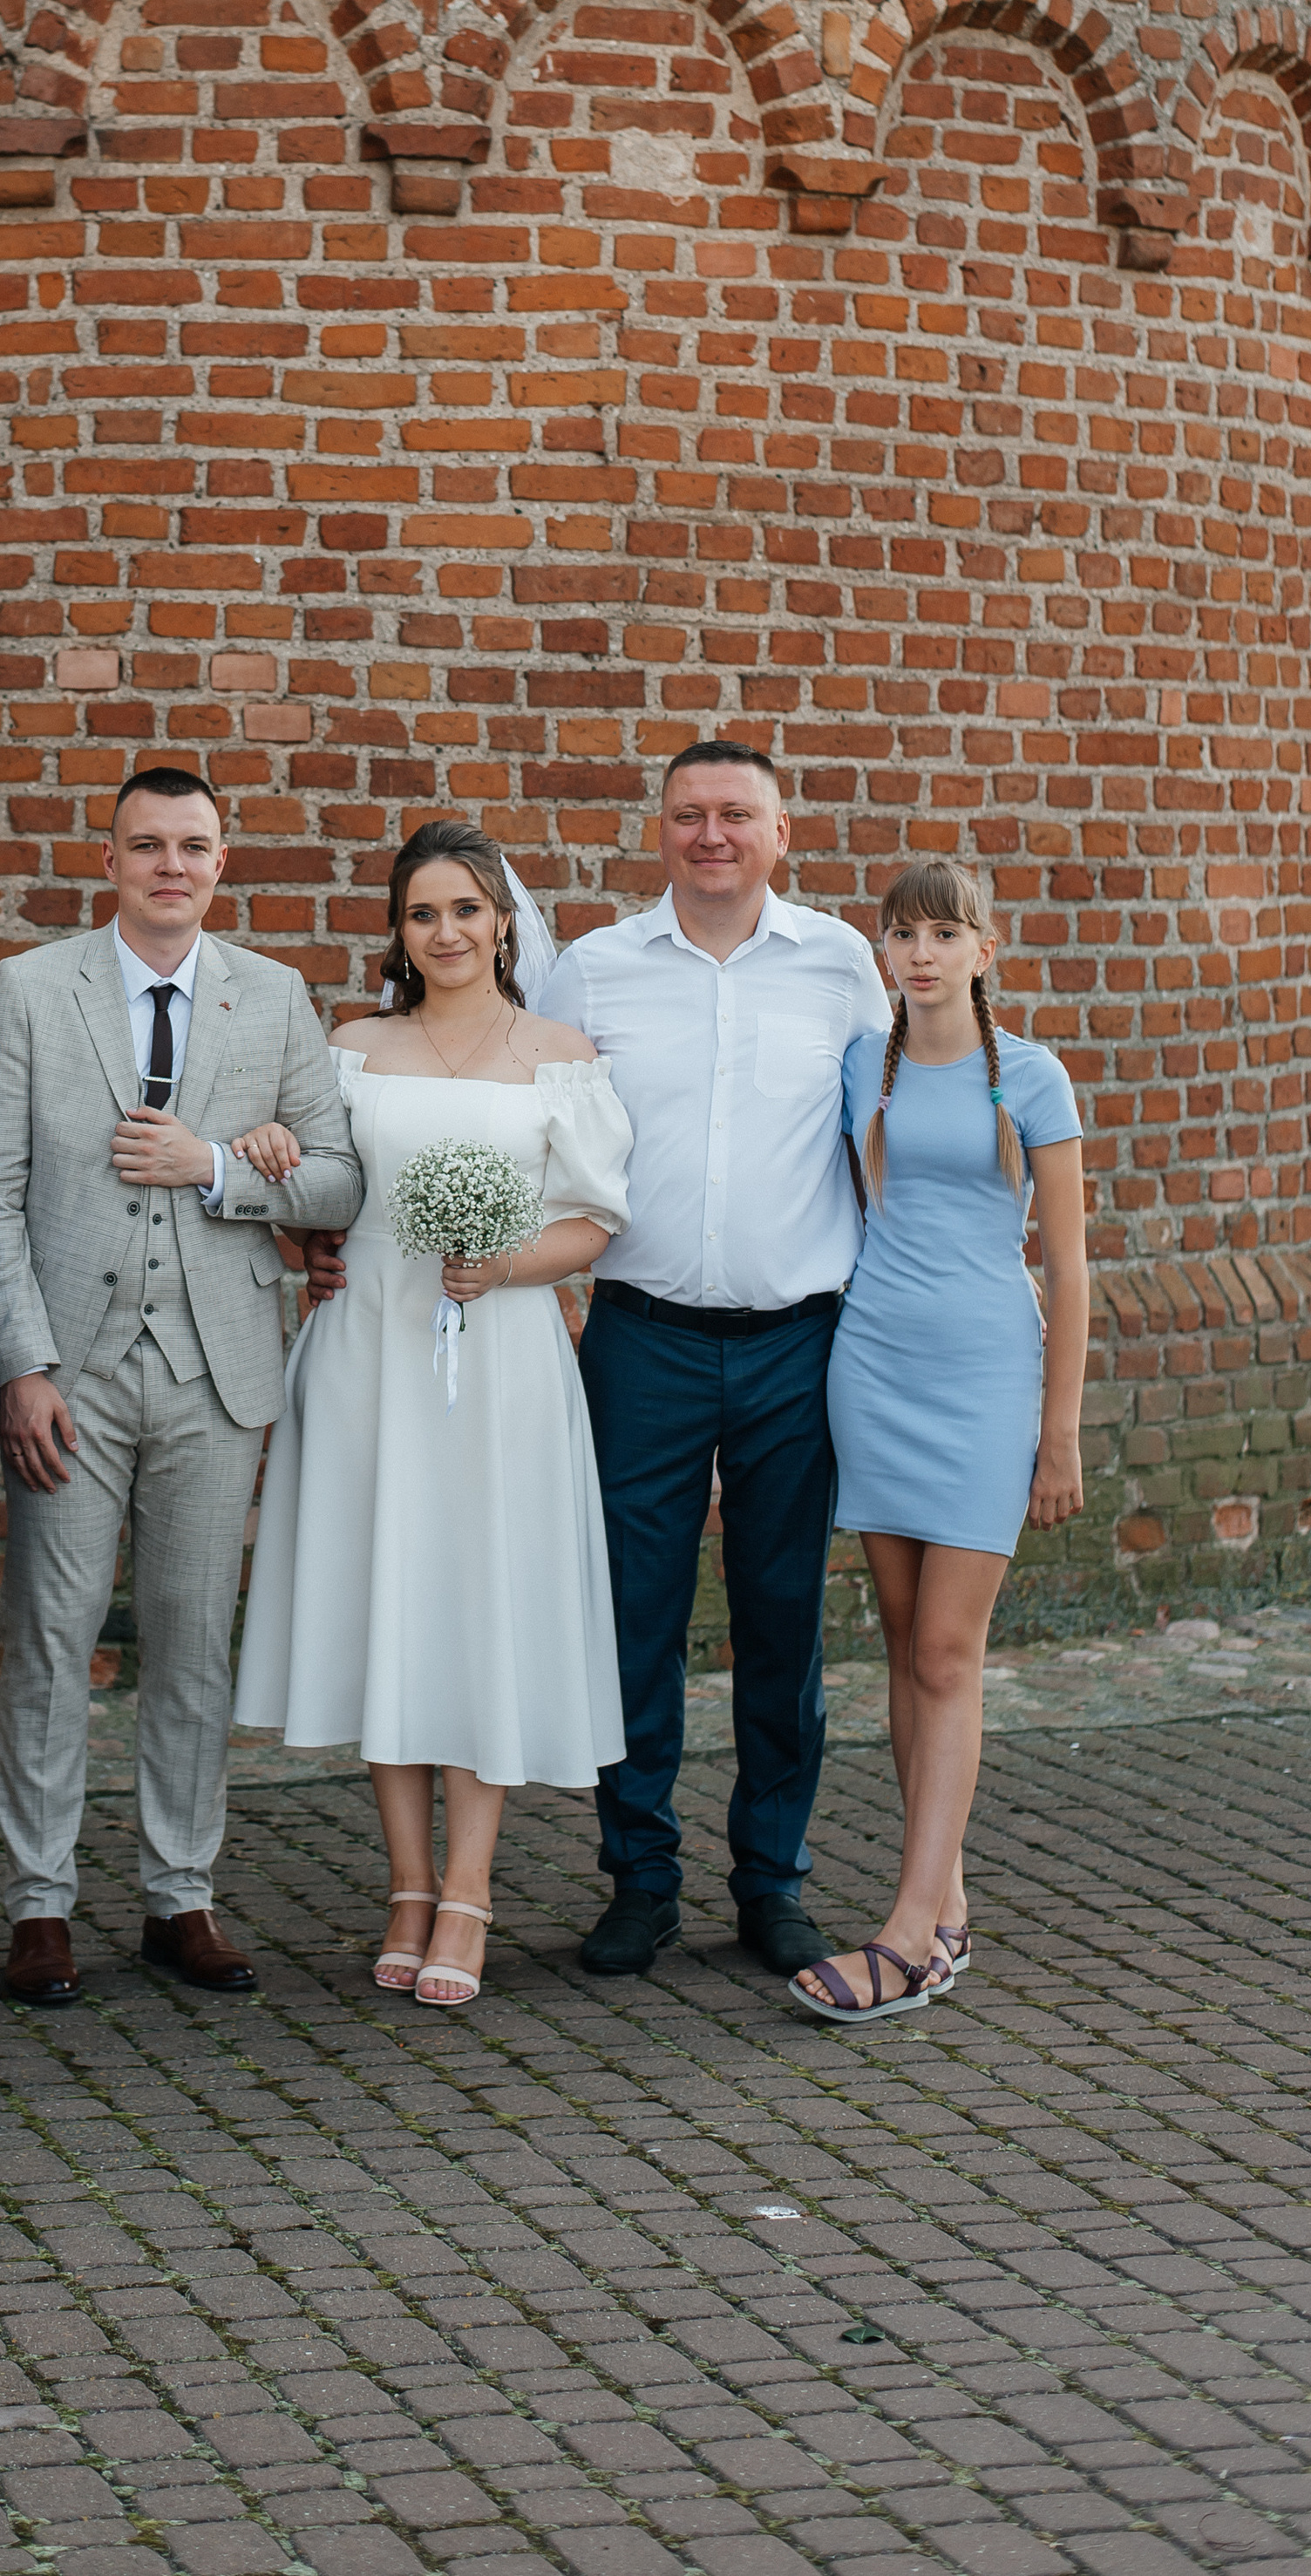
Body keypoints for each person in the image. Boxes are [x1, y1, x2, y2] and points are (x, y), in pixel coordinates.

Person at [0, 764, 366, 2006]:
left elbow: (340, 1182)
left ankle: (179, 1893)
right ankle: (40, 1904)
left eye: (193, 844)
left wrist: (218, 1171)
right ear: (112, 857)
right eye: (147, 844)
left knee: (193, 1643)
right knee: (52, 1638)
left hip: (217, 1368)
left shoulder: (276, 995)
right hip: (70, 1371)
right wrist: (21, 1366)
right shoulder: (33, 988)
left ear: (222, 857)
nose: (170, 865)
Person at [234, 819, 633, 2009]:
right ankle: (405, 1883)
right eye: (422, 913)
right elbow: (310, 1194)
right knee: (388, 1600)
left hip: (501, 1362)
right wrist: (277, 1189)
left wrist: (502, 1263)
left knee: (479, 1603)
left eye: (467, 908)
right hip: (370, 1354)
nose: (446, 931)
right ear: (399, 931)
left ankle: (470, 1887)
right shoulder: (352, 1046)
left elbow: (596, 1218)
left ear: (504, 920)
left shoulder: (559, 1052)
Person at [533, 739, 893, 1980]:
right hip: (643, 1338)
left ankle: (771, 1879)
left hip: (800, 1339)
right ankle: (638, 1878)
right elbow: (528, 1125)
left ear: (781, 833)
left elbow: (895, 1134)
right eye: (690, 813)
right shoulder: (596, 969)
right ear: (661, 830)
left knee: (782, 1623)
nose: (712, 833)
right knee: (630, 1618)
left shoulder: (846, 965)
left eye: (737, 813)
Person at [790, 860, 1086, 2023]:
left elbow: (1068, 1266)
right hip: (872, 1366)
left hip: (982, 1377)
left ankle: (910, 1932)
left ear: (984, 948)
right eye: (902, 933)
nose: (920, 952)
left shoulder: (1036, 1079)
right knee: (908, 1644)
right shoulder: (869, 1060)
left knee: (950, 1655)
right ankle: (944, 1902)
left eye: (944, 932)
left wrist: (1057, 1432)